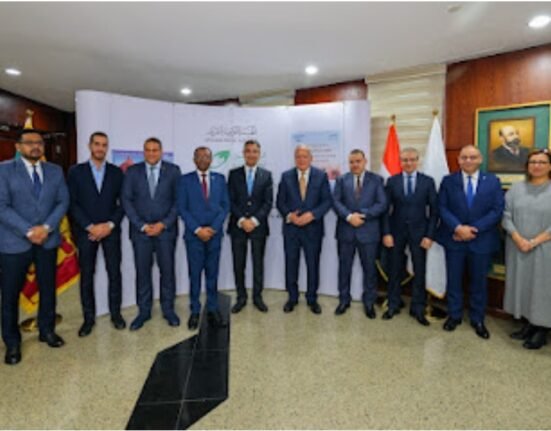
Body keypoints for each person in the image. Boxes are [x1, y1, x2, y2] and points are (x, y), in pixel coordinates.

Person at [0, 129, 69, 365]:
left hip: (47, 240)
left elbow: (63, 201)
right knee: (10, 294)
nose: (35, 146)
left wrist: (46, 228)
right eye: (29, 142)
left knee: (48, 288)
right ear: (18, 147)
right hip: (14, 243)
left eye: (39, 142)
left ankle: (47, 331)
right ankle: (12, 343)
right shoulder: (4, 170)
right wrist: (29, 231)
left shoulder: (55, 171)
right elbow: (2, 206)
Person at [437, 145, 504, 340]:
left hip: (481, 240)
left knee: (479, 283)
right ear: (458, 160)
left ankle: (477, 319)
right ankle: (454, 315)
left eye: (472, 157)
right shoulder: (448, 181)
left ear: (480, 159)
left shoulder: (493, 181)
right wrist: (458, 228)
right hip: (454, 239)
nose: (468, 161)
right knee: (454, 280)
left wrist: (473, 229)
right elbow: (442, 207)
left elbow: (497, 210)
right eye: (464, 157)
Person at [67, 131, 126, 337]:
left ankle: (116, 314)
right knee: (87, 276)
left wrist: (109, 225)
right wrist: (89, 226)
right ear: (90, 146)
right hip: (86, 233)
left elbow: (122, 204)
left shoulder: (117, 173)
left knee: (114, 274)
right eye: (97, 144)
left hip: (111, 231)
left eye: (104, 145)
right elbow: (72, 203)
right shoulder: (76, 172)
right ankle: (88, 319)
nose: (100, 148)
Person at [121, 137, 181, 330]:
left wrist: (164, 224)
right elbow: (126, 200)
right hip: (141, 233)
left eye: (155, 150)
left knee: (167, 272)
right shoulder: (132, 171)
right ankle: (144, 311)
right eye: (148, 150)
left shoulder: (173, 171)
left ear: (161, 151)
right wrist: (142, 225)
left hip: (166, 232)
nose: (152, 153)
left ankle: (168, 310)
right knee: (142, 272)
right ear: (143, 152)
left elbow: (178, 201)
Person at [381, 148, 438, 326]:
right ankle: (393, 304)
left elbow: (434, 212)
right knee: (394, 269)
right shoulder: (392, 181)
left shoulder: (427, 181)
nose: (408, 163)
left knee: (419, 271)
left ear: (417, 160)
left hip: (420, 233)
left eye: (412, 159)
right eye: (405, 160)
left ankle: (418, 308)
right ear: (400, 162)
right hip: (396, 232)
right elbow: (385, 210)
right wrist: (386, 233)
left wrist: (429, 235)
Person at [502, 149, 551, 349]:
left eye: (542, 162)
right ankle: (529, 324)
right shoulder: (516, 189)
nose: (537, 166)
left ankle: (542, 329)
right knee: (522, 285)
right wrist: (518, 238)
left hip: (545, 248)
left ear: (549, 166)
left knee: (543, 287)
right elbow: (506, 215)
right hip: (517, 246)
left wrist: (533, 242)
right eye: (533, 162)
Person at [177, 147, 230, 330]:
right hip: (194, 236)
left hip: (214, 236)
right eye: (199, 156)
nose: (202, 159)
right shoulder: (185, 180)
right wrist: (198, 229)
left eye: (206, 156)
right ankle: (195, 310)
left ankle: (213, 309)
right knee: (195, 275)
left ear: (211, 159)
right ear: (194, 159)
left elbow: (225, 206)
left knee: (212, 274)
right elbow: (182, 208)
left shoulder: (220, 179)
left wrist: (213, 228)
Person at [276, 145, 332, 314]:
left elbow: (327, 201)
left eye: (304, 156)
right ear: (295, 158)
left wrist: (312, 215)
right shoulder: (286, 176)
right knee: (291, 264)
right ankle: (292, 298)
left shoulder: (321, 176)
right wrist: (290, 216)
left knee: (313, 265)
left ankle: (312, 298)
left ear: (311, 158)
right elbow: (280, 202)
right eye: (298, 156)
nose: (301, 159)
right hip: (291, 230)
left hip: (313, 229)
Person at [333, 149, 386, 318]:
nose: (355, 164)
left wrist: (363, 215)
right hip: (346, 232)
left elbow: (382, 203)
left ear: (365, 161)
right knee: (344, 269)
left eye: (358, 161)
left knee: (369, 270)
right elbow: (336, 202)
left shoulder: (377, 180)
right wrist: (349, 217)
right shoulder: (341, 180)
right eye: (351, 162)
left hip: (368, 232)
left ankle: (369, 302)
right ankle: (344, 300)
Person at [227, 140, 273, 314]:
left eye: (255, 151)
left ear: (259, 154)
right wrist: (241, 220)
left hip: (258, 227)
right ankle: (241, 297)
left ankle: (257, 297)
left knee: (258, 264)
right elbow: (230, 200)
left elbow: (268, 203)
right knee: (238, 264)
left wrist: (253, 220)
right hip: (238, 227)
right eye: (248, 151)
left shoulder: (266, 175)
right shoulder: (234, 174)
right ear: (244, 153)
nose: (251, 154)